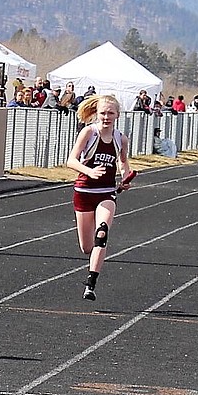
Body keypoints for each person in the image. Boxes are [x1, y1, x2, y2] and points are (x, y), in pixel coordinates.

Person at [66, 94, 134, 301]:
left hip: (106, 192)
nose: (106, 117)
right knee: (87, 247)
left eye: (110, 113)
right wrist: (88, 171)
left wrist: (125, 177)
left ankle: (90, 284)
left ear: (117, 115)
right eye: (103, 113)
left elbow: (123, 162)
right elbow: (70, 160)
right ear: (97, 113)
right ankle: (91, 264)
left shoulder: (120, 139)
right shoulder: (89, 132)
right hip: (84, 192)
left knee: (102, 233)